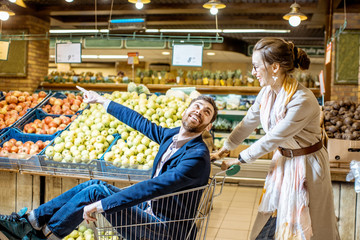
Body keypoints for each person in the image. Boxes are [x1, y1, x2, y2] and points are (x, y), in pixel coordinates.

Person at [0, 91, 218, 240]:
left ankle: (45, 234)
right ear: (185, 110)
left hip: (165, 228)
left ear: (208, 125)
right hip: (150, 213)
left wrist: (102, 205)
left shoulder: (197, 156)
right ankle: (32, 221)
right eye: (196, 106)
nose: (199, 111)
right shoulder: (171, 136)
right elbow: (141, 122)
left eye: (206, 112)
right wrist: (102, 101)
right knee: (95, 185)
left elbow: (155, 187)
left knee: (97, 192)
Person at [211, 37, 340, 240]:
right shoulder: (267, 93)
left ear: (275, 67)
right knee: (275, 218)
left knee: (309, 224)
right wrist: (225, 147)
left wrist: (240, 158)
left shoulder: (302, 99)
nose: (253, 72)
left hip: (306, 166)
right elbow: (248, 122)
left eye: (256, 67)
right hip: (283, 162)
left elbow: (273, 137)